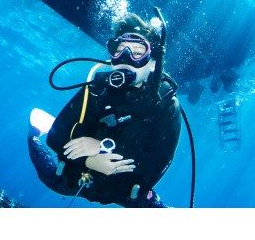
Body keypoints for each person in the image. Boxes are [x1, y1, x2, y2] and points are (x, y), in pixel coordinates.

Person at [28, 12, 181, 207]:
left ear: (153, 63)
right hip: (79, 177)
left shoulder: (166, 104)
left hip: (126, 192)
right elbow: (55, 138)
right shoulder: (98, 89)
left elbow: (157, 166)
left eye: (137, 52)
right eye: (119, 50)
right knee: (47, 176)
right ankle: (33, 135)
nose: (126, 58)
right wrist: (88, 161)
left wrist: (102, 147)